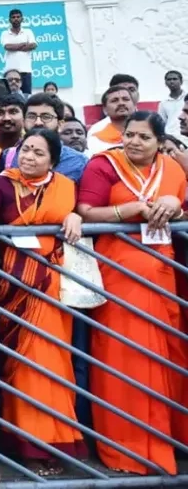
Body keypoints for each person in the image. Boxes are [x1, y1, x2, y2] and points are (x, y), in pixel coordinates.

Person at [0, 128, 87, 475]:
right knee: (22, 368)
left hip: (51, 285)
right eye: (25, 149)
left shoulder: (64, 187)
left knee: (53, 364)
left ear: (53, 160)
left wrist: (76, 215)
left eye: (38, 153)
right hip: (13, 285)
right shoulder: (2, 183)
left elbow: (75, 215)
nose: (29, 157)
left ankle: (57, 442)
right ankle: (28, 446)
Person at [76, 111, 188, 476]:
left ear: (159, 143)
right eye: (130, 135)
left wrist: (175, 204)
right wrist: (130, 209)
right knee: (125, 356)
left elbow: (182, 206)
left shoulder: (172, 168)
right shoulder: (102, 165)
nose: (134, 142)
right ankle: (127, 448)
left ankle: (169, 439)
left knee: (167, 352)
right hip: (119, 273)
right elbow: (86, 212)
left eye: (143, 137)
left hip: (163, 273)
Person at [8, 94, 89, 181]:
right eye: (31, 116)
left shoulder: (79, 162)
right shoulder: (9, 156)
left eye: (46, 117)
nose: (38, 122)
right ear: (23, 122)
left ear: (60, 124)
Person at [88, 85, 134, 154]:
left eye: (125, 99)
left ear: (134, 105)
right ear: (105, 110)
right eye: (114, 100)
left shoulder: (148, 132)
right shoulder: (96, 140)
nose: (121, 103)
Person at [1, 8, 37, 94]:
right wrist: (23, 44)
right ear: (9, 20)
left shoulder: (28, 32)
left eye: (18, 17)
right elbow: (7, 47)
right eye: (13, 17)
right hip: (10, 71)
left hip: (25, 70)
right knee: (8, 96)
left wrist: (15, 47)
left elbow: (33, 45)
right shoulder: (5, 33)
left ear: (22, 19)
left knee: (26, 95)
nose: (16, 19)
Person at [158, 70, 184, 136]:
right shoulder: (163, 103)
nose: (172, 81)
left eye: (175, 79)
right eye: (169, 79)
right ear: (165, 83)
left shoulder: (187, 98)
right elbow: (162, 122)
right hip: (170, 136)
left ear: (181, 81)